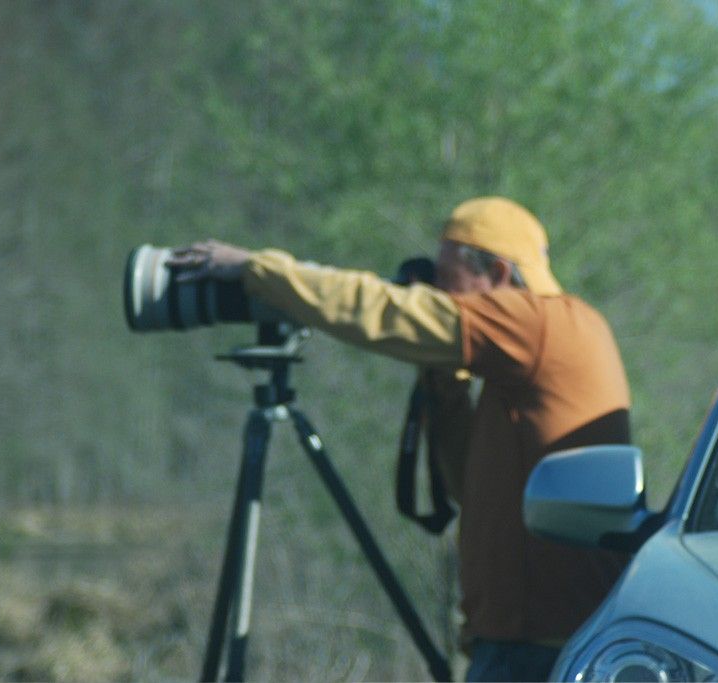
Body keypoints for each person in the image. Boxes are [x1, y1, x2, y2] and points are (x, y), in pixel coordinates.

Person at [170, 196, 632, 682]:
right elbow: (468, 488)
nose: (436, 293)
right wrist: (444, 381)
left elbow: (385, 312)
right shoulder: (543, 350)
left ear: (497, 273)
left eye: (445, 279)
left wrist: (254, 268)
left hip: (540, 647)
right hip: (529, 637)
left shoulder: (541, 321)